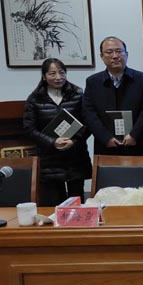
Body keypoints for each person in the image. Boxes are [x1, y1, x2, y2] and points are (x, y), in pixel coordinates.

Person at [22, 58, 92, 206]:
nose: (58, 77)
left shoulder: (78, 94)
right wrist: (52, 142)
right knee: (54, 205)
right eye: (52, 73)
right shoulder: (35, 99)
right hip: (50, 160)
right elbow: (29, 129)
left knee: (76, 204)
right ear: (44, 76)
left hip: (75, 157)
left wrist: (74, 141)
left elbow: (88, 123)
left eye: (62, 72)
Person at [82, 36, 143, 155]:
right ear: (102, 56)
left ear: (126, 54)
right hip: (106, 146)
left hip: (139, 144)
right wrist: (106, 138)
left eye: (119, 51)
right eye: (109, 52)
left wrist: (134, 135)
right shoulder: (93, 82)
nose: (115, 56)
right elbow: (89, 113)